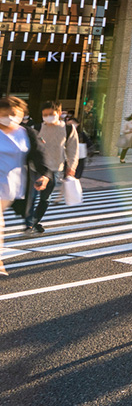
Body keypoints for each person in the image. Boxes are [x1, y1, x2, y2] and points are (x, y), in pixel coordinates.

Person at [0, 97, 49, 276]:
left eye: (16, 114)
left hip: (12, 185)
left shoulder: (26, 133)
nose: (11, 117)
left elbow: (38, 155)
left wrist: (44, 175)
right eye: (6, 114)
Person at [24, 102, 77, 234]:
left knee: (45, 198)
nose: (47, 117)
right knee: (30, 196)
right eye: (44, 115)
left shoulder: (68, 129)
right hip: (35, 168)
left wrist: (71, 167)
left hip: (54, 168)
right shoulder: (36, 127)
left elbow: (73, 150)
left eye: (51, 114)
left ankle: (34, 222)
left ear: (59, 114)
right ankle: (30, 224)